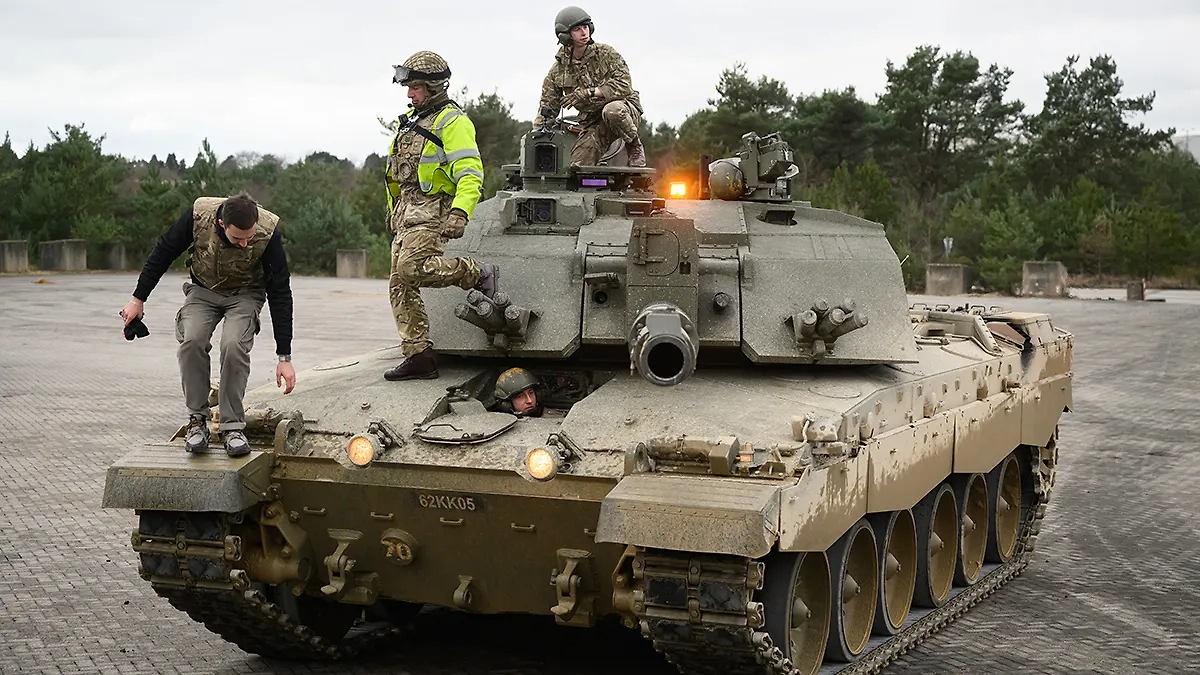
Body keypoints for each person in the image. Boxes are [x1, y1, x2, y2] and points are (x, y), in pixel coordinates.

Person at [119, 192, 296, 457]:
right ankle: (197, 421)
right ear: (222, 224)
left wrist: (284, 355)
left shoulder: (267, 232)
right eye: (239, 238)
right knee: (192, 341)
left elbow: (280, 291)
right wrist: (137, 299)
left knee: (234, 344)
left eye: (250, 236)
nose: (246, 243)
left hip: (245, 295)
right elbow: (163, 252)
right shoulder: (198, 216)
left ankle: (232, 426)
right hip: (203, 290)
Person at [383, 50, 500, 382]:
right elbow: (396, 175)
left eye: (415, 87)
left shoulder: (453, 122)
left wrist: (461, 212)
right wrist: (393, 212)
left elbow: (470, 173)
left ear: (433, 87)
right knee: (399, 285)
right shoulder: (410, 123)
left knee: (412, 268)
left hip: (434, 212)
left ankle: (475, 273)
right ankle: (418, 354)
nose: (409, 93)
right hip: (406, 214)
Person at [533, 6, 647, 168]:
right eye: (577, 29)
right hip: (593, 121)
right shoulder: (558, 71)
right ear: (565, 36)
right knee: (578, 167)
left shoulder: (606, 54)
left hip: (624, 110)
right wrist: (536, 136)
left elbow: (625, 85)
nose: (584, 33)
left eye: (586, 27)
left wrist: (589, 93)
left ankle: (634, 145)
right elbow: (547, 108)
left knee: (612, 110)